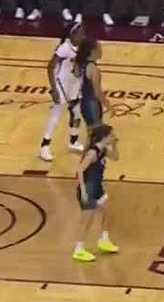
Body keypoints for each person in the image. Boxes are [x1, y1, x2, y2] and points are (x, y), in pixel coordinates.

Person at [40, 24, 86, 161]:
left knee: (76, 113)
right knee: (56, 114)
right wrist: (53, 88)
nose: (82, 35)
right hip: (62, 82)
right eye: (79, 33)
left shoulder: (84, 47)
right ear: (71, 35)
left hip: (75, 83)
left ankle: (73, 141)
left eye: (83, 32)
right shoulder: (64, 48)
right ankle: (44, 146)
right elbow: (50, 67)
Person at [74, 124, 120, 260]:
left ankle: (104, 240)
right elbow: (80, 170)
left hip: (97, 187)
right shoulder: (92, 153)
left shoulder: (103, 150)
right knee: (87, 222)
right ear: (104, 137)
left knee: (108, 212)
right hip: (88, 189)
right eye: (111, 135)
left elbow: (116, 157)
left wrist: (115, 144)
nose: (113, 136)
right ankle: (79, 249)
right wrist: (83, 191)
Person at [76, 37, 107, 135]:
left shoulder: (80, 65)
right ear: (93, 51)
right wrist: (109, 106)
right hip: (92, 103)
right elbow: (97, 92)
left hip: (83, 103)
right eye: (99, 47)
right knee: (98, 136)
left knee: (91, 135)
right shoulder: (93, 69)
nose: (101, 50)